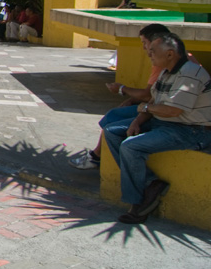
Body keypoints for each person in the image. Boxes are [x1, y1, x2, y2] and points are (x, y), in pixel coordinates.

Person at [102, 32, 211, 224]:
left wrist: (144, 108)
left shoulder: (190, 73)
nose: (149, 54)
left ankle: (139, 204)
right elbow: (154, 100)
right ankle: (151, 183)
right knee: (112, 131)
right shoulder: (166, 72)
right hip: (165, 123)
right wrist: (137, 121)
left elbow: (173, 110)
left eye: (153, 51)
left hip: (191, 130)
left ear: (170, 54)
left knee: (131, 146)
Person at [70, 24, 176, 170]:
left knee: (114, 124)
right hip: (161, 111)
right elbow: (153, 96)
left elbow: (152, 98)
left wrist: (122, 89)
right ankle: (101, 159)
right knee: (115, 121)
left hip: (174, 122)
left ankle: (99, 158)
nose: (144, 49)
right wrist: (134, 102)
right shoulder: (166, 62)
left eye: (145, 43)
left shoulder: (167, 63)